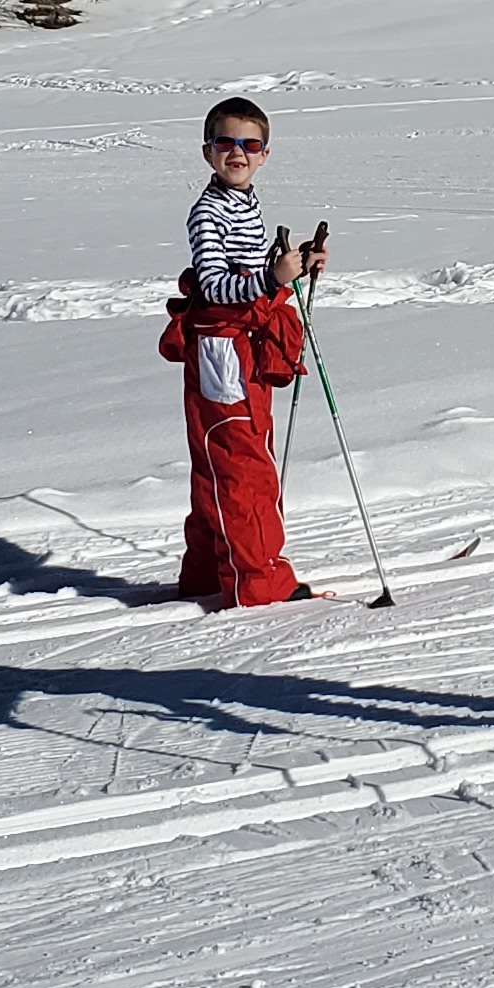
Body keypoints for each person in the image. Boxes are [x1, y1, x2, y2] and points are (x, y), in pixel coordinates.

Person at [157, 94, 325, 606]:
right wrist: (272, 278)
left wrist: (296, 263)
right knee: (241, 461)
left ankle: (210, 570)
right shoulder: (208, 211)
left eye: (250, 145)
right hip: (223, 347)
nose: (238, 153)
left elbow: (246, 267)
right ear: (207, 151)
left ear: (264, 155)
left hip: (243, 343)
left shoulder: (244, 202)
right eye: (226, 142)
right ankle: (258, 581)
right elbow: (214, 285)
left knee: (225, 457)